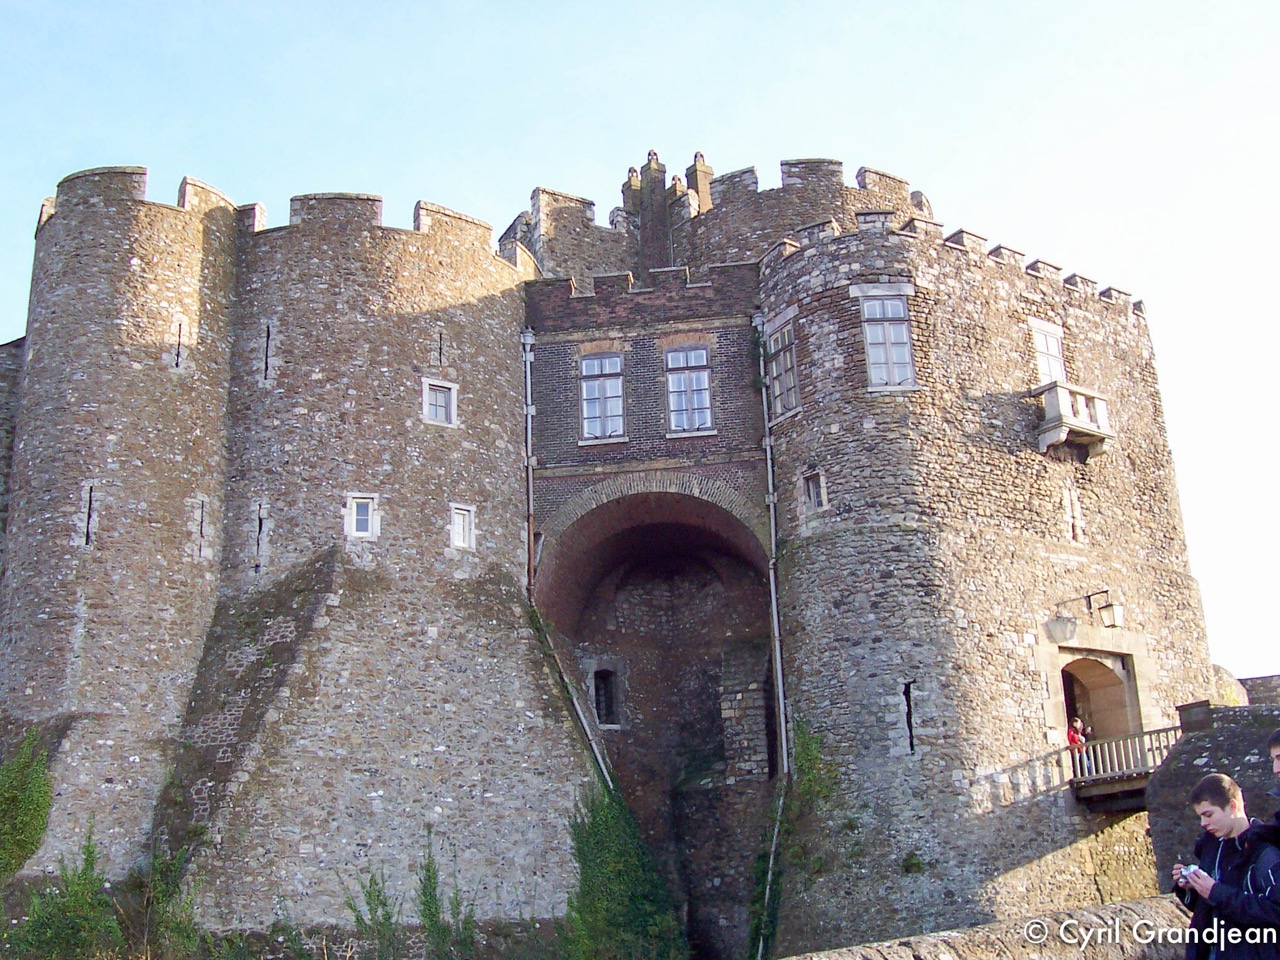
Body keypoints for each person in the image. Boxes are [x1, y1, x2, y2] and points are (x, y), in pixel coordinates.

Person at [1171, 773, 1280, 959]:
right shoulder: (1210, 848)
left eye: (1208, 814)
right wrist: (1193, 888)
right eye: (1200, 817)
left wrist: (1215, 891)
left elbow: (1274, 912)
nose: (1203, 823)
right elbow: (1210, 909)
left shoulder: (1265, 851)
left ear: (1232, 806)